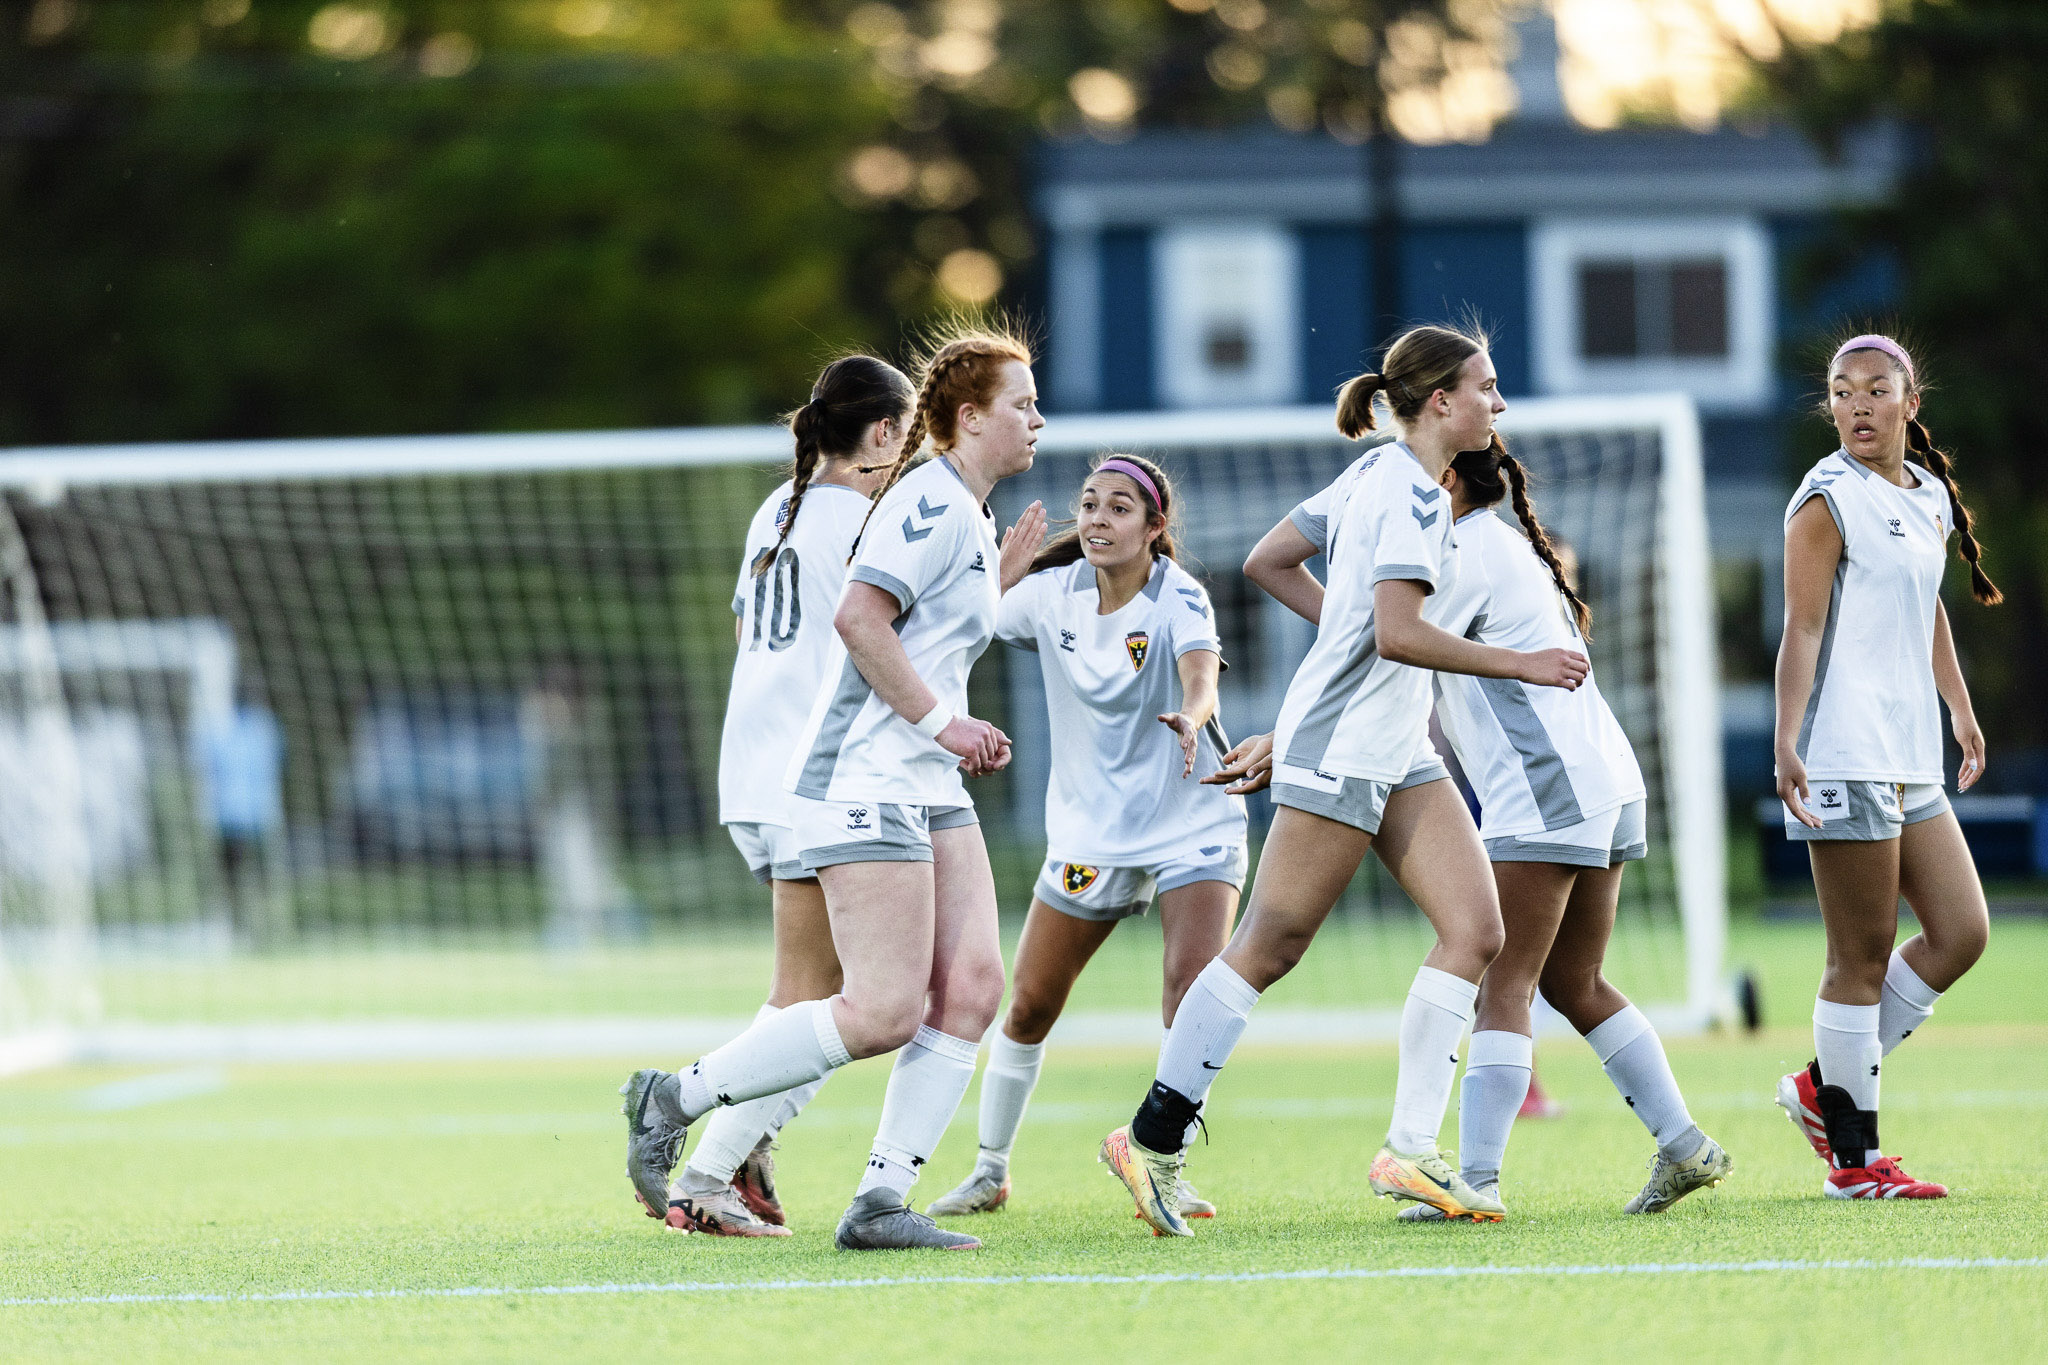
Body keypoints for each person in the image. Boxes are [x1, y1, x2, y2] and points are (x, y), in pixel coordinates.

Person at [1097, 323, 1588, 1236]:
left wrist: (1345, 638)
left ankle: (1410, 1146)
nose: (1498, 403)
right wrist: (1519, 662)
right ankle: (1151, 1139)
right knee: (1268, 946)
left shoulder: (1376, 474)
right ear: (1440, 400)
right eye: (1486, 387)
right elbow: (1397, 633)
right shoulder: (1408, 493)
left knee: (1477, 930)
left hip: (1398, 747)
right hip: (1345, 744)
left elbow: (1271, 561)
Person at [621, 326, 1049, 1250]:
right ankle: (683, 1111)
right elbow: (860, 619)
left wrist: (991, 588)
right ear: (964, 417)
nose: (1038, 419)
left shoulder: (881, 510)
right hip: (852, 770)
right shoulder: (909, 503)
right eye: (1022, 403)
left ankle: (873, 1197)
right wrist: (942, 720)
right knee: (867, 1004)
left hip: (882, 771)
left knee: (969, 984)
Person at [1239, 435, 1731, 1220]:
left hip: (1545, 789)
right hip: (1603, 779)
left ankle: (1474, 1180)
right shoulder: (1505, 545)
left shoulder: (1459, 550)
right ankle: (1684, 1143)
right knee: (1575, 982)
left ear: (1447, 481)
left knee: (1503, 987)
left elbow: (1386, 646)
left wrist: (1286, 734)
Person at [924, 454, 1247, 1222]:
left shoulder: (1180, 596)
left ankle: (1163, 1164)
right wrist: (996, 573)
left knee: (1191, 997)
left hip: (1192, 821)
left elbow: (1202, 673)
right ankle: (989, 1170)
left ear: (1154, 527)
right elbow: (957, 625)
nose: (1099, 518)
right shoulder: (1050, 595)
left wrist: (1193, 716)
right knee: (1030, 1004)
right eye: (1091, 503)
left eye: (1120, 507)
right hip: (1089, 832)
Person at [655, 354, 914, 1236]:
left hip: (751, 767)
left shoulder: (780, 506)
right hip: (810, 774)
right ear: (884, 432)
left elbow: (748, 630)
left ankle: (740, 1148)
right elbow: (894, 637)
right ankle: (704, 1165)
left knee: (824, 988)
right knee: (820, 998)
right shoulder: (865, 520)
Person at [1772, 333, 1996, 1200]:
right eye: (1841, 390)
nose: (1857, 404)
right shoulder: (1825, 498)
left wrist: (1959, 706)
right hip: (1844, 748)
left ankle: (1820, 1088)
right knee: (1858, 957)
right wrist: (1787, 738)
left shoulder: (1927, 495)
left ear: (1911, 402)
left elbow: (1925, 604)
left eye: (1875, 389)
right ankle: (1855, 1160)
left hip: (1909, 753)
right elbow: (1802, 627)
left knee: (1961, 930)